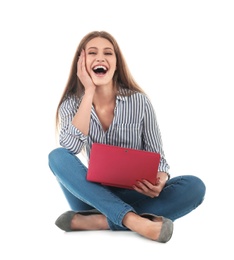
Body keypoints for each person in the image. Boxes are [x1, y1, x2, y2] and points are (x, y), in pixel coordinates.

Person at [48, 31, 206, 243]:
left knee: (195, 186)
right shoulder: (71, 104)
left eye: (108, 53)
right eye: (92, 53)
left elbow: (158, 155)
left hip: (134, 192)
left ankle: (99, 221)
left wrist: (162, 178)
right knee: (57, 156)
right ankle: (134, 220)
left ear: (116, 63)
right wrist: (88, 92)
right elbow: (71, 148)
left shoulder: (139, 102)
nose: (101, 58)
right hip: (93, 196)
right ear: (81, 63)